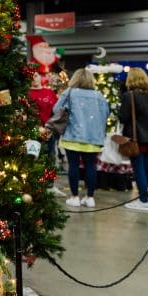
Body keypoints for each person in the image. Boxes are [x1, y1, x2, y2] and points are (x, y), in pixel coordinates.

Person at [52, 68, 109, 208]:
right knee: (91, 166)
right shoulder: (99, 96)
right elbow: (106, 113)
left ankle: (75, 197)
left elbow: (56, 110)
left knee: (73, 166)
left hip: (73, 136)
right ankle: (90, 198)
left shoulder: (70, 93)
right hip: (93, 138)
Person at [119, 67, 148, 211]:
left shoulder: (128, 96)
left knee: (138, 169)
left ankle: (143, 200)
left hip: (136, 137)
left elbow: (123, 117)